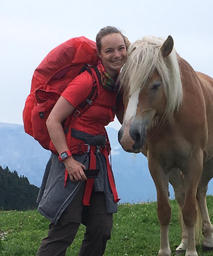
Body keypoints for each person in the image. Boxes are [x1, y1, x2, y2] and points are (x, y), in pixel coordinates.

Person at [36, 26, 128, 256]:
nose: (116, 55)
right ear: (99, 54)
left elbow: (125, 119)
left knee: (101, 228)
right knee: (64, 228)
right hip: (71, 158)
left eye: (121, 48)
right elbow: (53, 121)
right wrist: (68, 160)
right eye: (109, 51)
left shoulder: (117, 84)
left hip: (97, 159)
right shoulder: (86, 81)